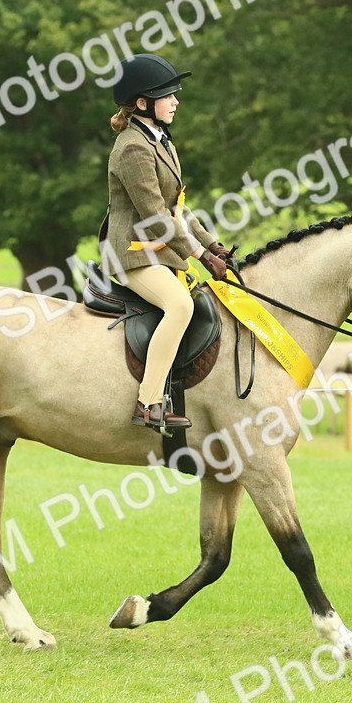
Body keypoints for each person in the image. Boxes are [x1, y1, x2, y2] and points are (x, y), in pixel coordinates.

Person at [100, 53, 230, 431]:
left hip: (158, 253)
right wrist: (199, 255)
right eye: (168, 96)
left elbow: (177, 209)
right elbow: (155, 217)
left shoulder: (161, 142)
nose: (176, 102)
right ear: (143, 103)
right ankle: (149, 402)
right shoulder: (132, 148)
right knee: (179, 306)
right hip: (132, 253)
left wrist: (212, 245)